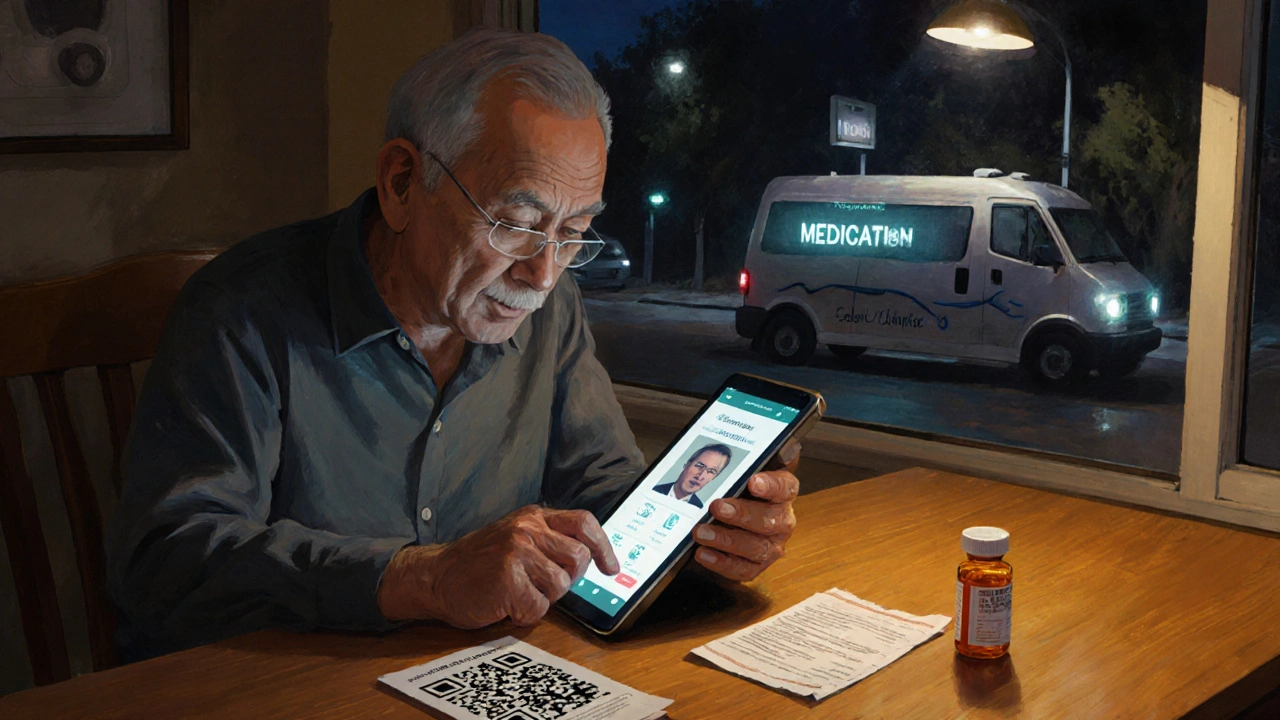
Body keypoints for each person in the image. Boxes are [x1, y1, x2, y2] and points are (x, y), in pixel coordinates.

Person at [106, 28, 802, 659]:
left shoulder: (551, 310)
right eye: (516, 221)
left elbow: (602, 493)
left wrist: (705, 530)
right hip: (279, 685)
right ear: (402, 183)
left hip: (473, 675)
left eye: (573, 230)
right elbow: (169, 566)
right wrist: (422, 577)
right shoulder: (242, 313)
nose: (543, 272)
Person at [652, 444, 733, 508]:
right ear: (687, 465)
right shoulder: (653, 490)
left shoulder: (699, 508)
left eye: (711, 471)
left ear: (714, 477)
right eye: (699, 465)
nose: (701, 476)